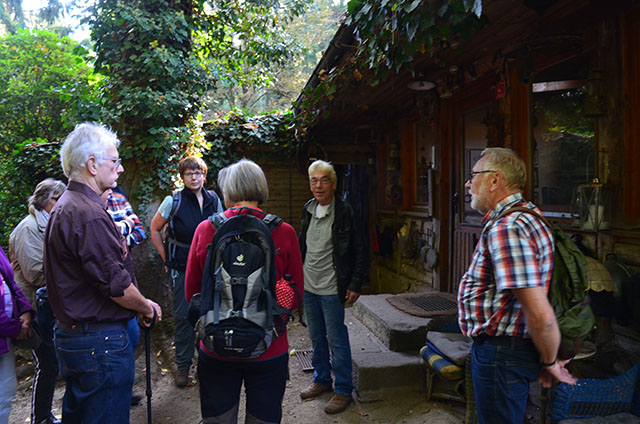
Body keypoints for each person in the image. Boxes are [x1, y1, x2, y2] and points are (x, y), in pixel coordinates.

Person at [44, 122, 162, 424]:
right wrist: (146, 306)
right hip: (99, 343)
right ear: (93, 165)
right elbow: (117, 286)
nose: (120, 169)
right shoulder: (89, 213)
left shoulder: (66, 206)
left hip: (75, 339)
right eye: (115, 160)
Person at [457, 147, 577, 424]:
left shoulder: (508, 227)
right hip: (507, 351)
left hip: (502, 354)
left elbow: (538, 311)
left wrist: (549, 361)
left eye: (473, 175)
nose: (467, 183)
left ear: (495, 180)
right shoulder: (527, 215)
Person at [185, 159, 304, 423]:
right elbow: (295, 298)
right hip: (269, 346)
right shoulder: (284, 232)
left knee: (218, 419)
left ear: (227, 190)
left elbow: (192, 293)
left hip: (216, 344)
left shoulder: (206, 230)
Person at [298, 160, 367, 414]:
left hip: (332, 286)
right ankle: (322, 380)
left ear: (334, 184)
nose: (318, 185)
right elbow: (302, 246)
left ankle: (343, 390)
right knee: (316, 336)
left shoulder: (346, 212)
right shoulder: (308, 209)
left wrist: (355, 283)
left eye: (323, 180)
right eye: (314, 180)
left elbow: (360, 250)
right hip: (309, 284)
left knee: (336, 338)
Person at [150, 156, 223, 387]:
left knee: (211, 314)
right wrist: (166, 258)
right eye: (189, 174)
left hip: (210, 269)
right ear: (182, 177)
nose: (194, 177)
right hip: (181, 268)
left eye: (198, 173)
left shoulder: (214, 199)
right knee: (184, 318)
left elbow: (222, 229)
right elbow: (154, 228)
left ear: (204, 175)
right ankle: (183, 367)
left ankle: (209, 364)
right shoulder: (173, 200)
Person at [9, 178, 66, 424]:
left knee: (53, 361)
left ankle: (44, 415)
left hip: (50, 306)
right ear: (44, 201)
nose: (62, 203)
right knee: (49, 362)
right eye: (57, 198)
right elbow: (34, 272)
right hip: (33, 308)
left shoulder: (50, 223)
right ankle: (41, 417)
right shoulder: (28, 228)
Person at [102, 187, 146, 406]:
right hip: (107, 288)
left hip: (126, 277)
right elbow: (104, 240)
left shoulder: (119, 199)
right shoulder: (89, 210)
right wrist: (122, 228)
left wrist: (122, 236)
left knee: (132, 336)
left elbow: (140, 231)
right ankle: (115, 396)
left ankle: (124, 393)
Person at [0, 245, 35, 424]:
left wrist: (25, 312)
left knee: (6, 391)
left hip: (4, 339)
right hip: (7, 330)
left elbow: (10, 282)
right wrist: (16, 328)